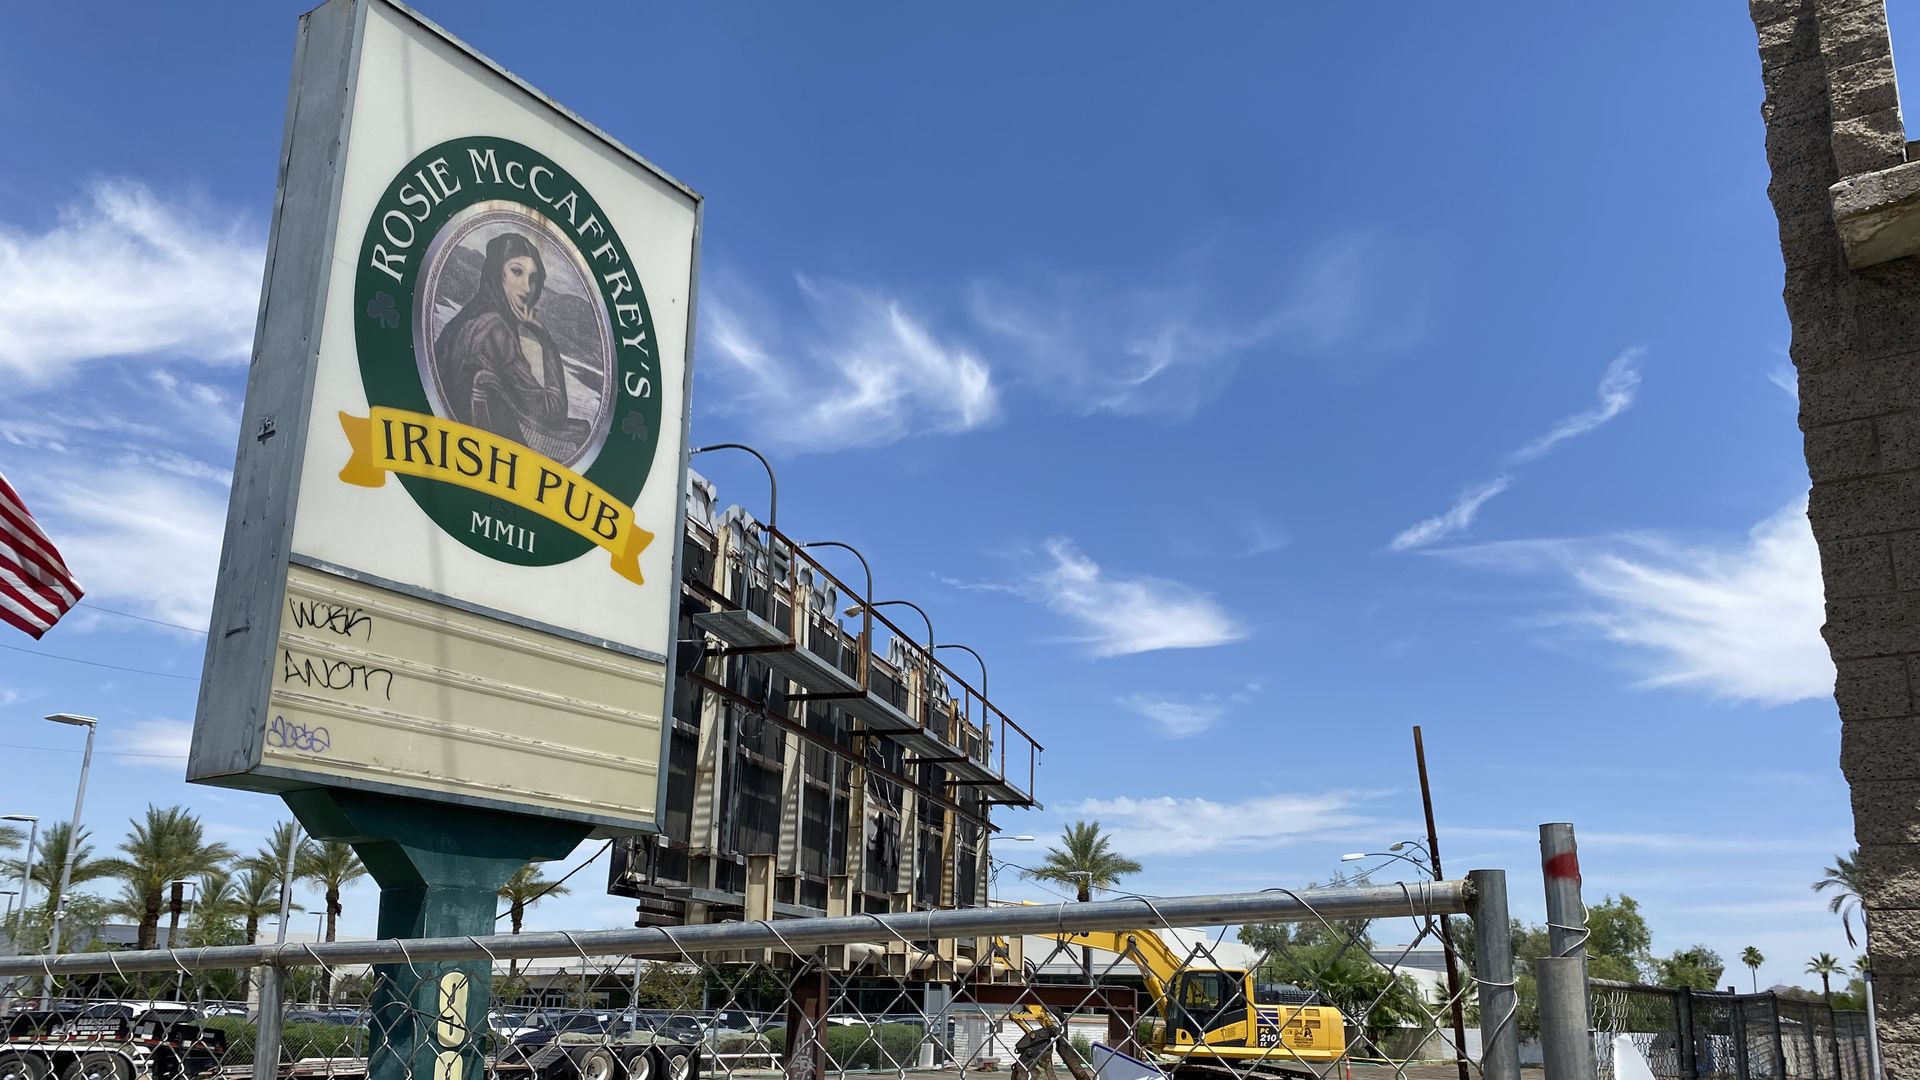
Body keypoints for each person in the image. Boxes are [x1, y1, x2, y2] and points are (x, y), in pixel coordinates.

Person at [432, 230, 585, 461]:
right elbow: (551, 410)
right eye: (516, 272)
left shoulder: (472, 319)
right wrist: (547, 343)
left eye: (533, 279)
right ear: (496, 274)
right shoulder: (495, 328)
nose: (526, 288)